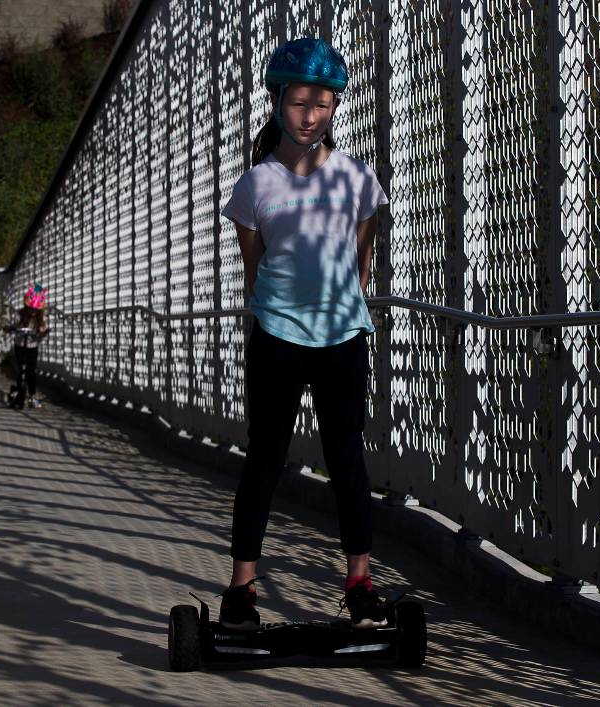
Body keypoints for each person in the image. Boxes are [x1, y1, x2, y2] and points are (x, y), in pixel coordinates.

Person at [218, 38, 389, 630]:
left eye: (322, 103)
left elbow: (360, 264)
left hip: (343, 335)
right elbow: (256, 267)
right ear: (277, 103)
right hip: (277, 334)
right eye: (298, 103)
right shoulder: (255, 185)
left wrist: (340, 304)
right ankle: (241, 589)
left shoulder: (358, 180)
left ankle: (360, 580)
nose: (310, 116)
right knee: (264, 456)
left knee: (347, 458)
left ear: (336, 106)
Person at [6, 283, 49, 409]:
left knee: (31, 372)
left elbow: (43, 329)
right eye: (31, 309)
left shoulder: (41, 318)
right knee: (21, 370)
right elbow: (11, 325)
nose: (33, 312)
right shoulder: (19, 315)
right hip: (20, 345)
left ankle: (32, 396)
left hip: (32, 347)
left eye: (36, 310)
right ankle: (19, 393)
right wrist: (10, 328)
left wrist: (42, 332)